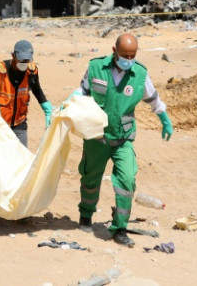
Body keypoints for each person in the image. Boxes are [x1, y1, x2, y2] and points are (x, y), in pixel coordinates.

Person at [72, 33, 173, 248]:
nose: (128, 59)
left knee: (127, 181)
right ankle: (86, 216)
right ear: (114, 51)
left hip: (123, 138)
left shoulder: (140, 74)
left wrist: (164, 119)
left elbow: (153, 99)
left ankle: (120, 228)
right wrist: (69, 104)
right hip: (97, 136)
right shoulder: (96, 68)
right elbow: (81, 91)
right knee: (90, 179)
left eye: (132, 55)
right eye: (124, 55)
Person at [0, 40, 52, 149]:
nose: (24, 63)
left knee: (21, 161)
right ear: (13, 55)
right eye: (21, 60)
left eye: (27, 60)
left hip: (20, 125)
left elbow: (37, 90)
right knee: (2, 162)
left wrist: (46, 106)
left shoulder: (31, 71)